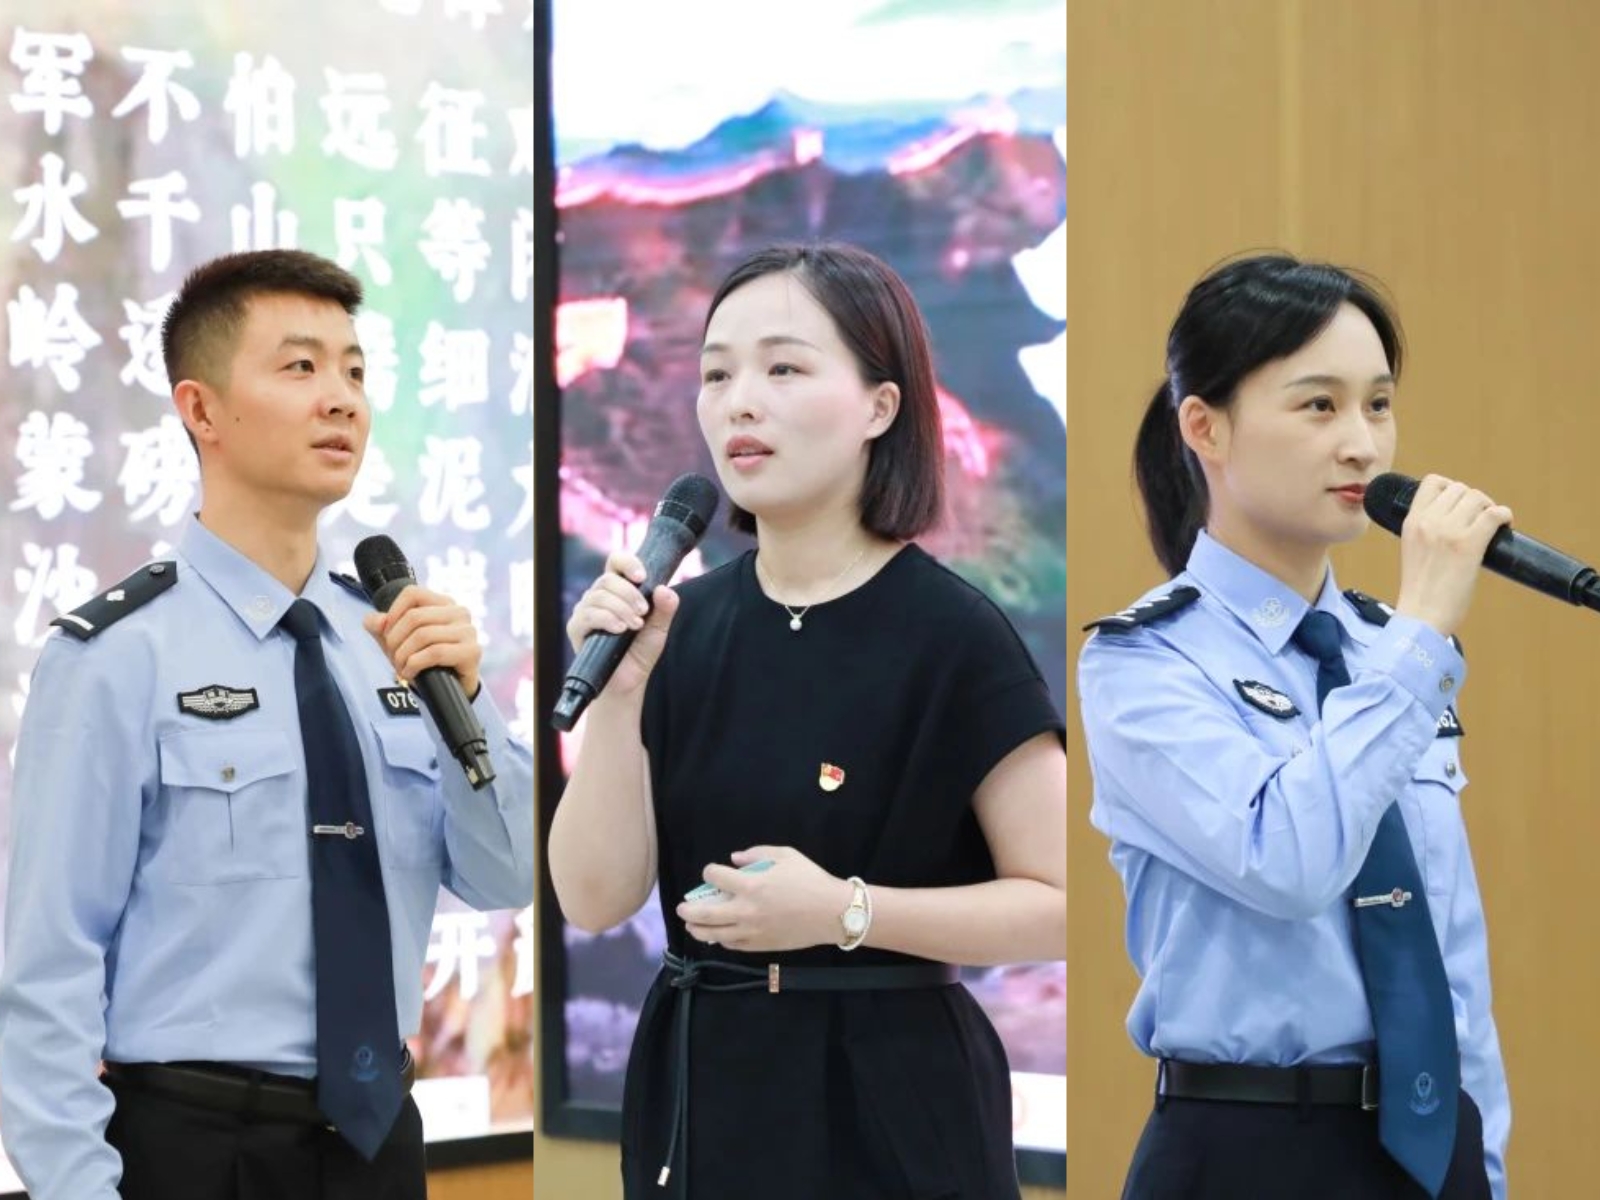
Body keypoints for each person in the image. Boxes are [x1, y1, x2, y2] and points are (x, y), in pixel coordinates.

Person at [0, 249, 534, 1200]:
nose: (341, 400)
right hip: (195, 1151)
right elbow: (47, 968)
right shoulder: (115, 657)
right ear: (201, 411)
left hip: (380, 1145)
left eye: (355, 371)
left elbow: (507, 874)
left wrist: (471, 697)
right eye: (301, 367)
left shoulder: (392, 639)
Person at [549, 241, 1067, 1199]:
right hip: (702, 1091)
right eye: (717, 375)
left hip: (893, 1099)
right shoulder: (677, 625)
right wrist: (618, 702)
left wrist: (845, 911)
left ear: (880, 406)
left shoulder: (953, 634)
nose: (739, 403)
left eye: (783, 369)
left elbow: (1064, 901)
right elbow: (593, 897)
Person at [1077, 253, 1512, 1199]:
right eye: (1320, 406)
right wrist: (1423, 634)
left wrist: (1482, 1158)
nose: (1363, 445)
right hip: (1249, 1145)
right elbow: (1289, 862)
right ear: (1206, 427)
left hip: (1432, 1143)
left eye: (1379, 405)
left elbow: (1448, 944)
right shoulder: (1143, 661)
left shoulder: (1390, 651)